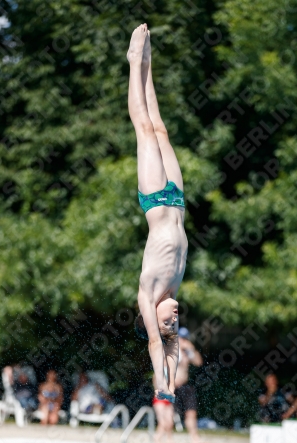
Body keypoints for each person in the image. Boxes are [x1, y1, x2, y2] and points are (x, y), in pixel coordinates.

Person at [129, 24, 188, 403]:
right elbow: (172, 348)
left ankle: (134, 64)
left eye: (168, 319)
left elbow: (157, 342)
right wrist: (172, 368)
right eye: (175, 322)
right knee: (162, 130)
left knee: (144, 129)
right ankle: (150, 63)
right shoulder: (174, 288)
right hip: (178, 200)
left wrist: (162, 386)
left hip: (154, 200)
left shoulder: (149, 294)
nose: (174, 316)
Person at [174, 327, 205, 443]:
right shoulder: (173, 350)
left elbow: (198, 362)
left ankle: (194, 438)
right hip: (172, 387)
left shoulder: (188, 351)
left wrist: (191, 349)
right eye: (181, 338)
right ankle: (164, 439)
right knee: (168, 415)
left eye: (185, 338)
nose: (183, 341)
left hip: (185, 387)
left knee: (191, 413)